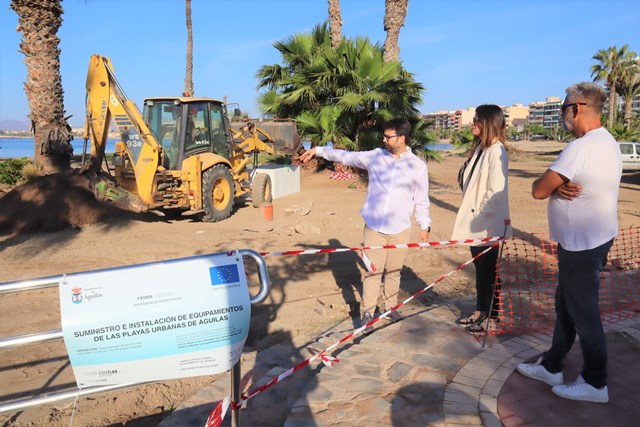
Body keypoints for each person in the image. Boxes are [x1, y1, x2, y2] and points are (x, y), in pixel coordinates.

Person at [516, 82, 622, 403]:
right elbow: (584, 182)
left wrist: (551, 187)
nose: (563, 114)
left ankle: (595, 382)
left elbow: (537, 189)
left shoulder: (579, 148)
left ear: (576, 108)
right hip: (596, 240)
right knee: (567, 306)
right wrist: (560, 187)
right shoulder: (609, 142)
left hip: (581, 247)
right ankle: (551, 365)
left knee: (584, 314)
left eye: (564, 108)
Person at [299, 118, 431, 331]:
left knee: (394, 271)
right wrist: (319, 151)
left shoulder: (417, 166)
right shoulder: (376, 157)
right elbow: (347, 156)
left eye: (389, 137)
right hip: (374, 227)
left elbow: (422, 199)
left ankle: (390, 308)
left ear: (402, 138)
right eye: (385, 136)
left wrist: (424, 227)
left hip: (400, 229)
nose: (384, 139)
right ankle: (368, 311)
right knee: (372, 270)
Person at [451, 105, 511, 334]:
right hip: (476, 223)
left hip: (486, 225)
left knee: (490, 271)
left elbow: (495, 191)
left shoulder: (497, 152)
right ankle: (481, 310)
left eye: (476, 120)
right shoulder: (481, 149)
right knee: (481, 268)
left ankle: (493, 316)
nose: (472, 123)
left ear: (487, 123)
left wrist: (478, 217)